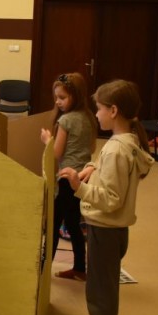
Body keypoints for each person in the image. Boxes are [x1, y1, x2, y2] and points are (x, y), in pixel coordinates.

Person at [57, 80, 154, 315]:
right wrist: (92, 167)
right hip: (113, 230)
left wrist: (78, 186)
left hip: (106, 228)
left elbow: (111, 198)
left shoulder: (115, 149)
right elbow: (108, 168)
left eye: (99, 109)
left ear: (113, 111)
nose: (96, 114)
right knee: (100, 286)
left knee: (101, 289)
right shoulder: (126, 141)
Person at [40, 72, 97, 281]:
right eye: (56, 97)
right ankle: (80, 268)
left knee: (53, 224)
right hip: (82, 178)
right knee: (73, 223)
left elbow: (56, 153)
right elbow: (92, 147)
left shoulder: (66, 120)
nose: (58, 101)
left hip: (67, 178)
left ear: (76, 96)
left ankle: (43, 271)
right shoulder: (89, 117)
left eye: (62, 97)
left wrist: (47, 140)